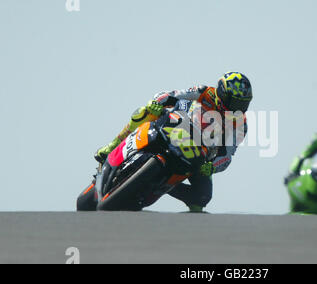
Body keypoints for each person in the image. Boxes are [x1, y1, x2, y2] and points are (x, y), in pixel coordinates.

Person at [94, 72, 253, 212]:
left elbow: (227, 155)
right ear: (222, 93)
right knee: (145, 112)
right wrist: (157, 102)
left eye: (242, 104)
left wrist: (212, 167)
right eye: (235, 102)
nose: (238, 107)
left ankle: (164, 187)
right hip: (178, 125)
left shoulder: (241, 124)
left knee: (202, 198)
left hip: (200, 153)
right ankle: (113, 145)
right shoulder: (204, 92)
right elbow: (172, 94)